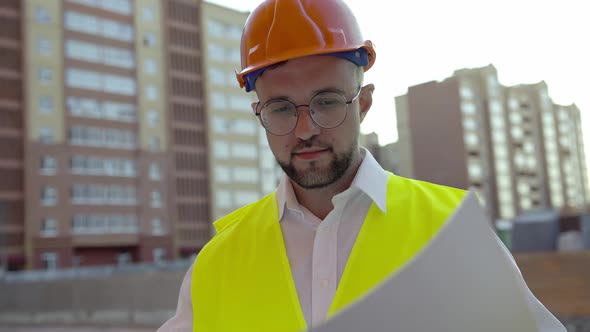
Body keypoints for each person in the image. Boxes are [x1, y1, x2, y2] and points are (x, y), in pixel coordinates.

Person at [158, 1, 563, 331]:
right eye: (281, 108)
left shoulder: (450, 231)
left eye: (327, 101)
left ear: (364, 103)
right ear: (259, 113)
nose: (304, 129)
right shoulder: (217, 263)